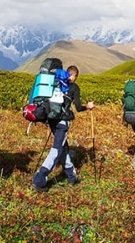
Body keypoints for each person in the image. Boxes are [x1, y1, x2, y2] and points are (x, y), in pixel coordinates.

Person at [31, 64, 93, 192]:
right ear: (74, 75)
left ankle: (71, 176)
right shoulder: (74, 87)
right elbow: (78, 107)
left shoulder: (56, 84)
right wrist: (88, 106)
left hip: (52, 120)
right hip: (63, 122)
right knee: (57, 149)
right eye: (76, 76)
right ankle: (40, 179)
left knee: (63, 147)